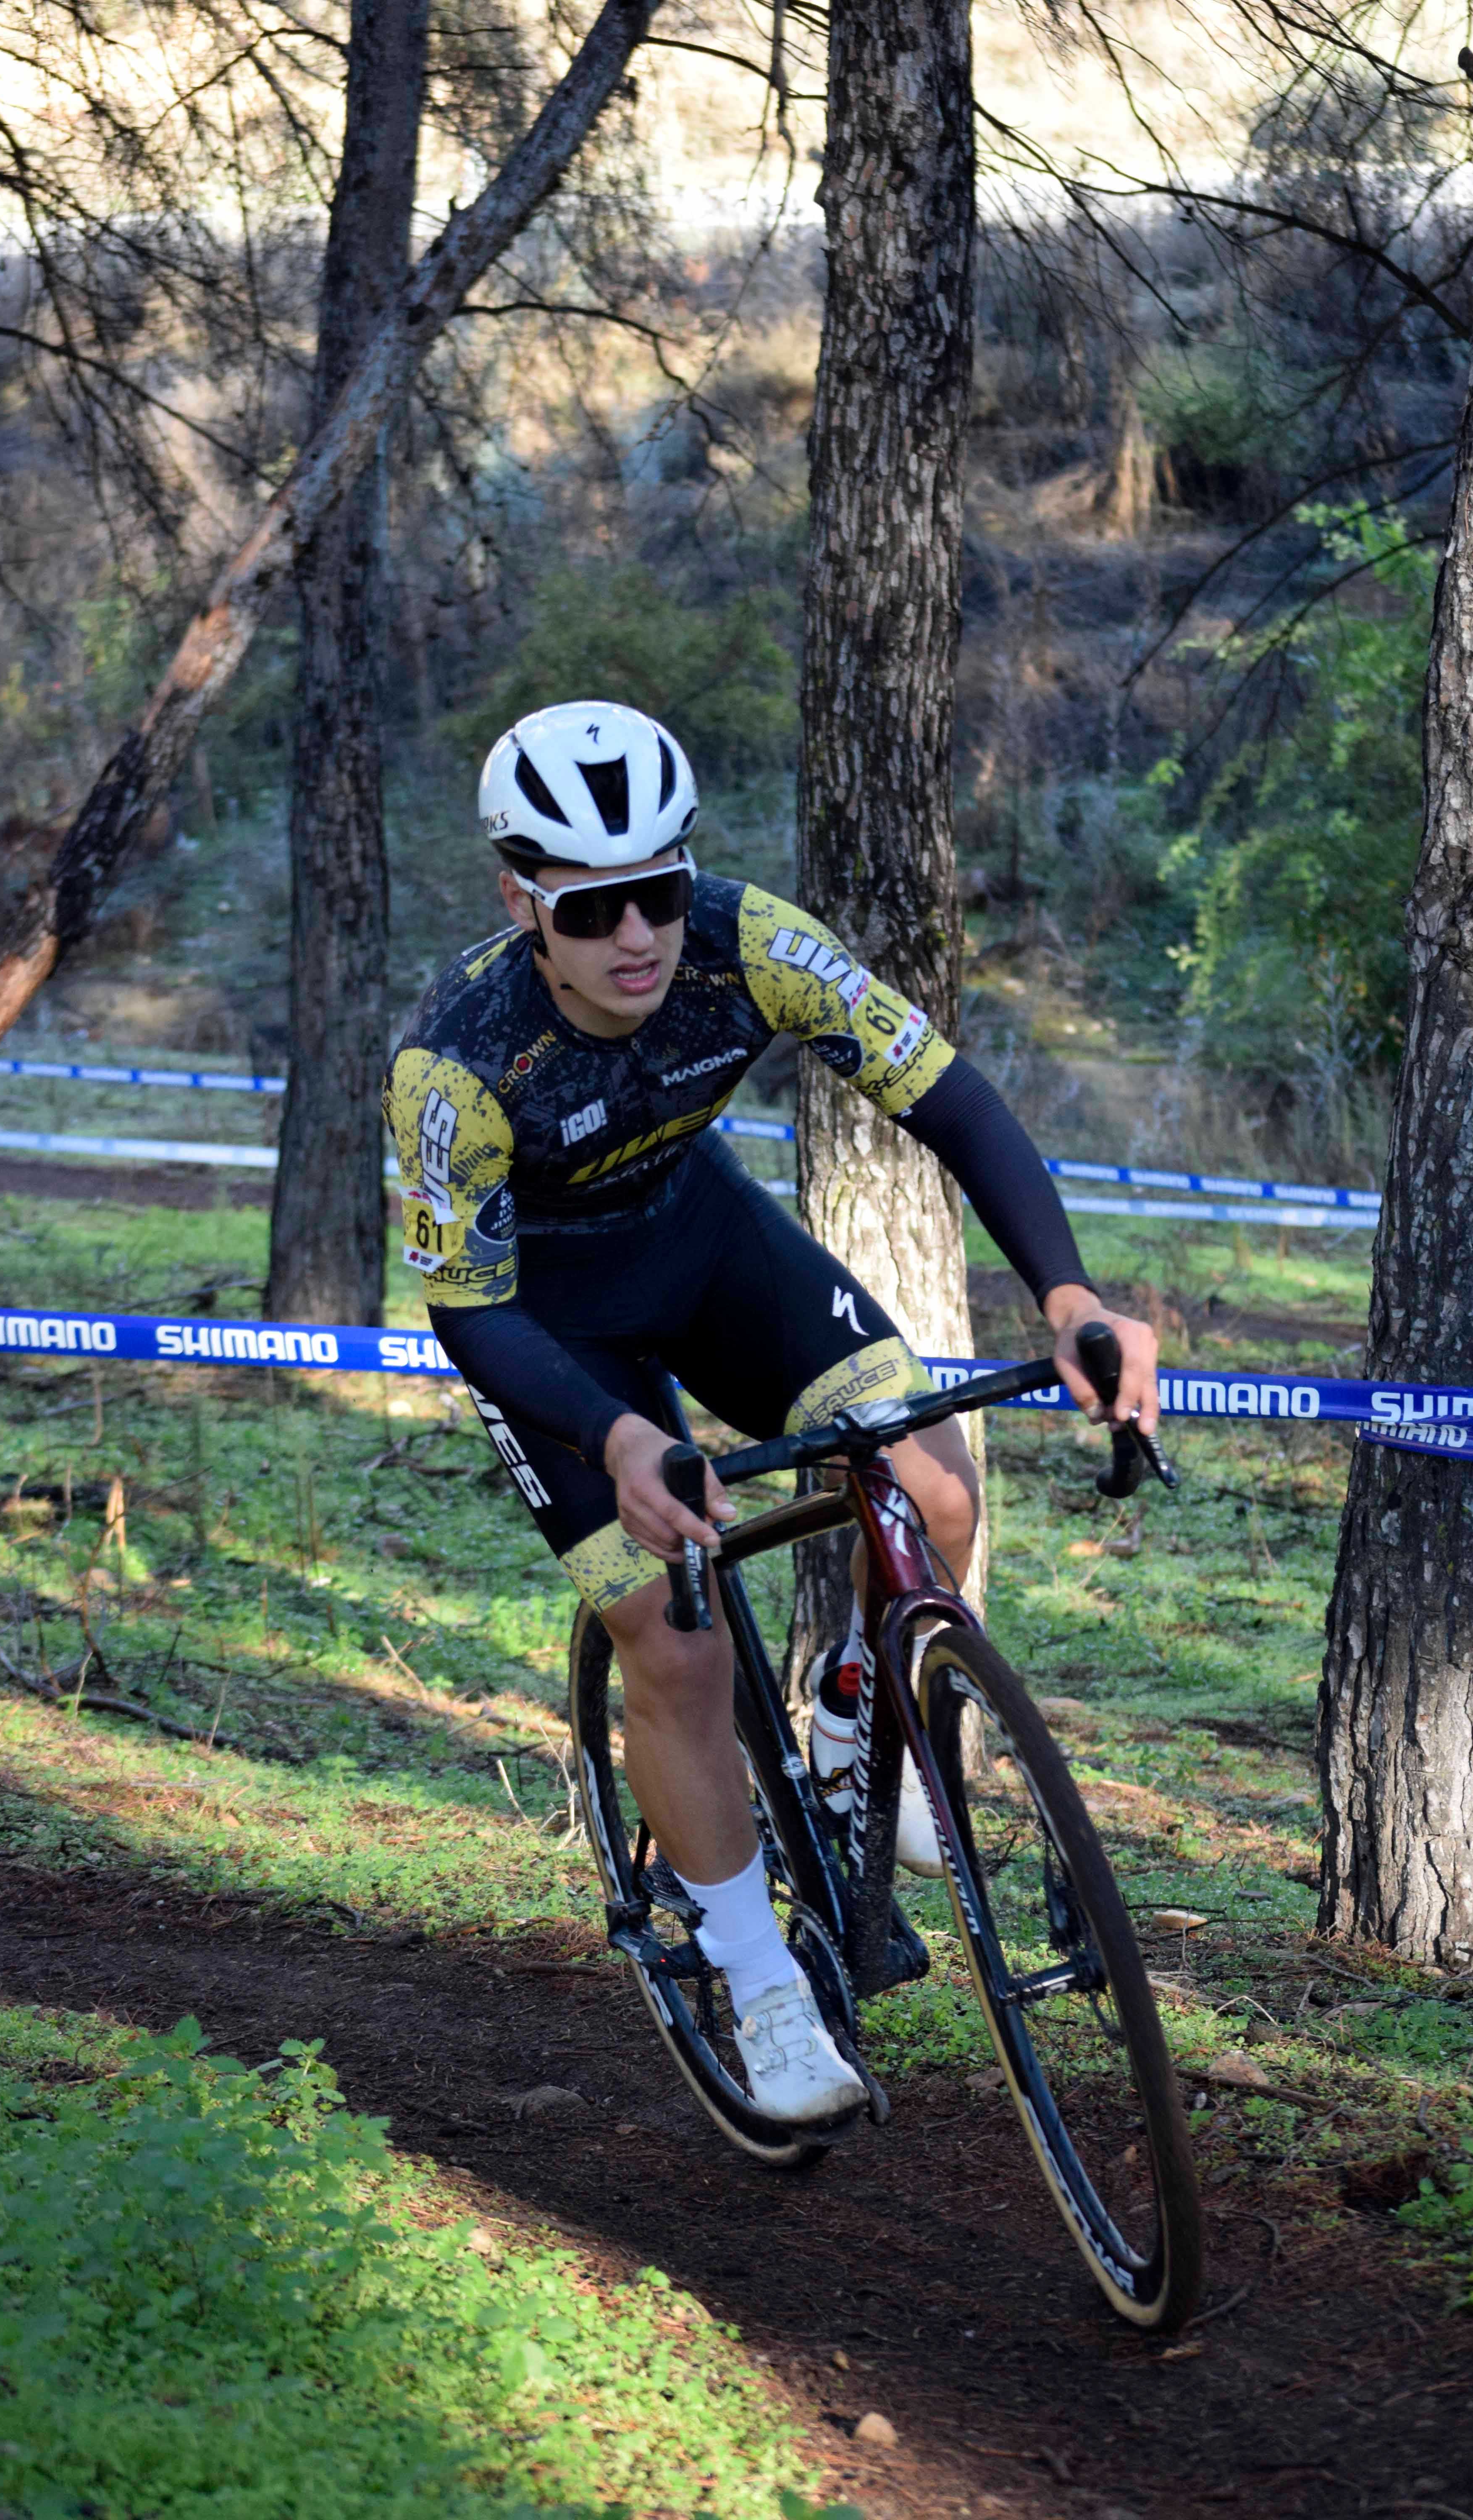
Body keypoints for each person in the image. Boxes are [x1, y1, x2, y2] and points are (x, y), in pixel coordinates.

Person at [386, 700, 1159, 2129]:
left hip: (705, 1248)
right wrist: (616, 1437)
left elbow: (954, 1102)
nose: (639, 937)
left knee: (933, 1485)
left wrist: (1064, 1298)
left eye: (661, 893)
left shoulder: (750, 944)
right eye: (593, 906)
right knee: (673, 1645)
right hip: (551, 1331)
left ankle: (860, 1733)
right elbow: (471, 1313)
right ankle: (759, 1981)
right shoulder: (459, 1064)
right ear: (521, 901)